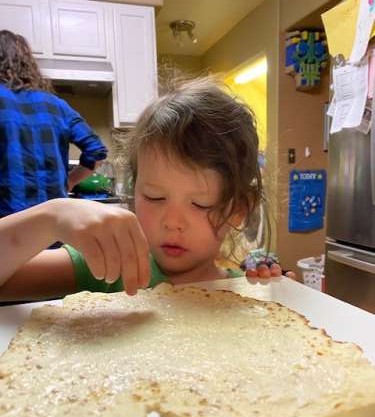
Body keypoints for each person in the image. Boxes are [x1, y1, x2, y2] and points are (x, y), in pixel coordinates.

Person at [0, 77, 286, 303]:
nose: (172, 222)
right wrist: (51, 217)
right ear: (134, 192)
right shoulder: (109, 268)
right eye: (154, 197)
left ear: (238, 209)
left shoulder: (245, 293)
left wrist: (280, 291)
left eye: (200, 203)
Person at [0, 30, 107, 218]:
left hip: (8, 228)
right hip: (54, 225)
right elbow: (96, 150)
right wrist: (70, 182)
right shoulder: (56, 105)